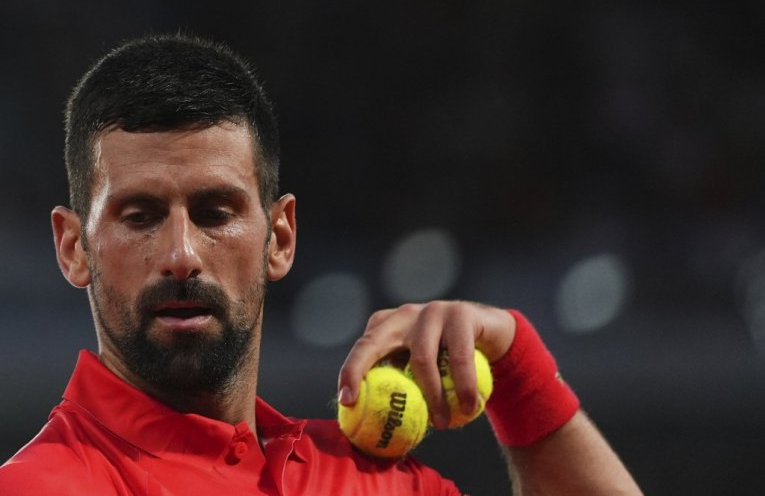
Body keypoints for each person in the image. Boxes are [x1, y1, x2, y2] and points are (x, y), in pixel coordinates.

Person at [0, 34, 642, 495]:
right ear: (74, 247)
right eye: (140, 216)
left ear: (280, 238)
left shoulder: (373, 483)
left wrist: (517, 365)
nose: (181, 256)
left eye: (216, 212)